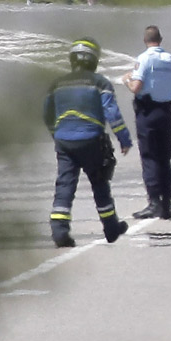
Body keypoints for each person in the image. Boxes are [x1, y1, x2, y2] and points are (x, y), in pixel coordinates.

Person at [44, 37, 131, 247]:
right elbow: (112, 113)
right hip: (92, 140)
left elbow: (47, 113)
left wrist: (56, 133)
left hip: (64, 141)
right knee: (100, 183)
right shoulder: (100, 83)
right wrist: (124, 138)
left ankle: (59, 231)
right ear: (94, 60)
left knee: (64, 184)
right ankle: (111, 228)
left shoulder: (57, 83)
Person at [126, 25, 171, 220]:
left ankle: (154, 202)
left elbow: (136, 87)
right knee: (164, 157)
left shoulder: (143, 59)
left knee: (149, 156)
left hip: (147, 111)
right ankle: (167, 204)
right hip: (165, 111)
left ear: (145, 40)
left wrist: (126, 80)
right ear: (160, 39)